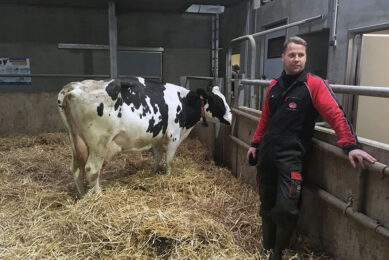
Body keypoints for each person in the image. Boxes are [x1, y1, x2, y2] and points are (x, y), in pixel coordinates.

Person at [246, 36, 376, 260]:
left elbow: (335, 114)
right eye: (292, 55)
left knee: (287, 207)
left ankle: (278, 253)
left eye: (301, 55)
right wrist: (255, 144)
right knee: (266, 202)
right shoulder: (274, 87)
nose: (297, 59)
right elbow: (265, 119)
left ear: (306, 57)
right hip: (267, 154)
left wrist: (351, 145)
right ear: (283, 57)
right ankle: (266, 248)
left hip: (292, 157)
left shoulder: (314, 85)